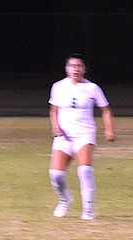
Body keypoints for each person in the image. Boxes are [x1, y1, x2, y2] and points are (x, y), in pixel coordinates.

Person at [48, 53, 114, 221]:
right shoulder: (58, 86)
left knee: (84, 170)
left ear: (84, 69)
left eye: (79, 66)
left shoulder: (92, 88)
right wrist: (55, 126)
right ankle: (64, 199)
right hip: (65, 135)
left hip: (85, 133)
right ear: (67, 68)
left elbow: (105, 109)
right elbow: (54, 110)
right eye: (72, 66)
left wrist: (109, 129)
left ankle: (88, 210)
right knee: (56, 174)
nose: (75, 69)